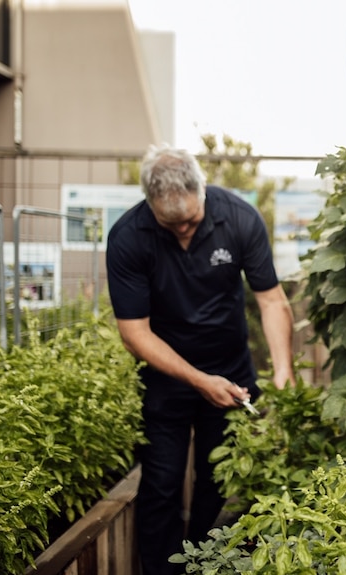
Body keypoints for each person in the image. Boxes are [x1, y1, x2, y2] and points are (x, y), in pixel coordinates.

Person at [106, 145, 295, 575]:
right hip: (166, 375)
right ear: (150, 205)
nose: (184, 231)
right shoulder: (128, 237)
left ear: (203, 191)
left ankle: (203, 564)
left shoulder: (241, 219)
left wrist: (283, 370)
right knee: (161, 483)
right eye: (171, 225)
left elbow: (270, 301)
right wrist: (197, 380)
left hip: (231, 370)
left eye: (191, 220)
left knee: (220, 479)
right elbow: (135, 333)